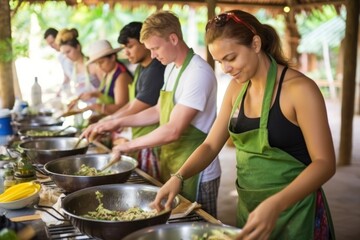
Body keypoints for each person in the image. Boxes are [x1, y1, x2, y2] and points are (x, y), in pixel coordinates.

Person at [151, 9, 336, 240]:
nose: (226, 69)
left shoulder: (300, 90)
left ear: (256, 44)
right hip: (250, 210)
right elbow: (210, 146)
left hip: (297, 212)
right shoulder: (236, 89)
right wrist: (178, 177)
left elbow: (325, 163)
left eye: (231, 58)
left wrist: (276, 204)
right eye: (220, 62)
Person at [83, 11, 221, 217]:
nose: (154, 55)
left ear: (173, 38)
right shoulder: (171, 68)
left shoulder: (198, 72)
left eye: (155, 48)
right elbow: (157, 111)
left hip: (198, 171)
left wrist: (127, 145)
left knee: (199, 226)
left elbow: (173, 130)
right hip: (173, 161)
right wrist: (114, 122)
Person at [81, 22, 165, 178]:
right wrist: (108, 120)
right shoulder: (141, 68)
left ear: (145, 42)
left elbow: (138, 106)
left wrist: (110, 120)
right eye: (124, 48)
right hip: (137, 134)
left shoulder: (156, 70)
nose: (126, 53)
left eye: (130, 46)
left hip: (149, 138)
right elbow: (132, 104)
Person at [68, 39, 133, 118]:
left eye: (101, 62)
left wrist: (96, 107)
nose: (99, 67)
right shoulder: (107, 74)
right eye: (96, 63)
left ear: (112, 57)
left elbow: (121, 108)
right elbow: (107, 95)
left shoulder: (121, 77)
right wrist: (93, 94)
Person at [55, 28, 102, 100]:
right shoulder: (73, 67)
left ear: (77, 47)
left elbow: (107, 90)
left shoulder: (94, 65)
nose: (67, 56)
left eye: (68, 52)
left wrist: (94, 94)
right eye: (64, 53)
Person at [43, 27, 73, 97]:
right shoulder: (60, 56)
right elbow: (67, 76)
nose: (51, 46)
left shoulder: (71, 51)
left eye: (52, 42)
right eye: (49, 44)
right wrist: (60, 91)